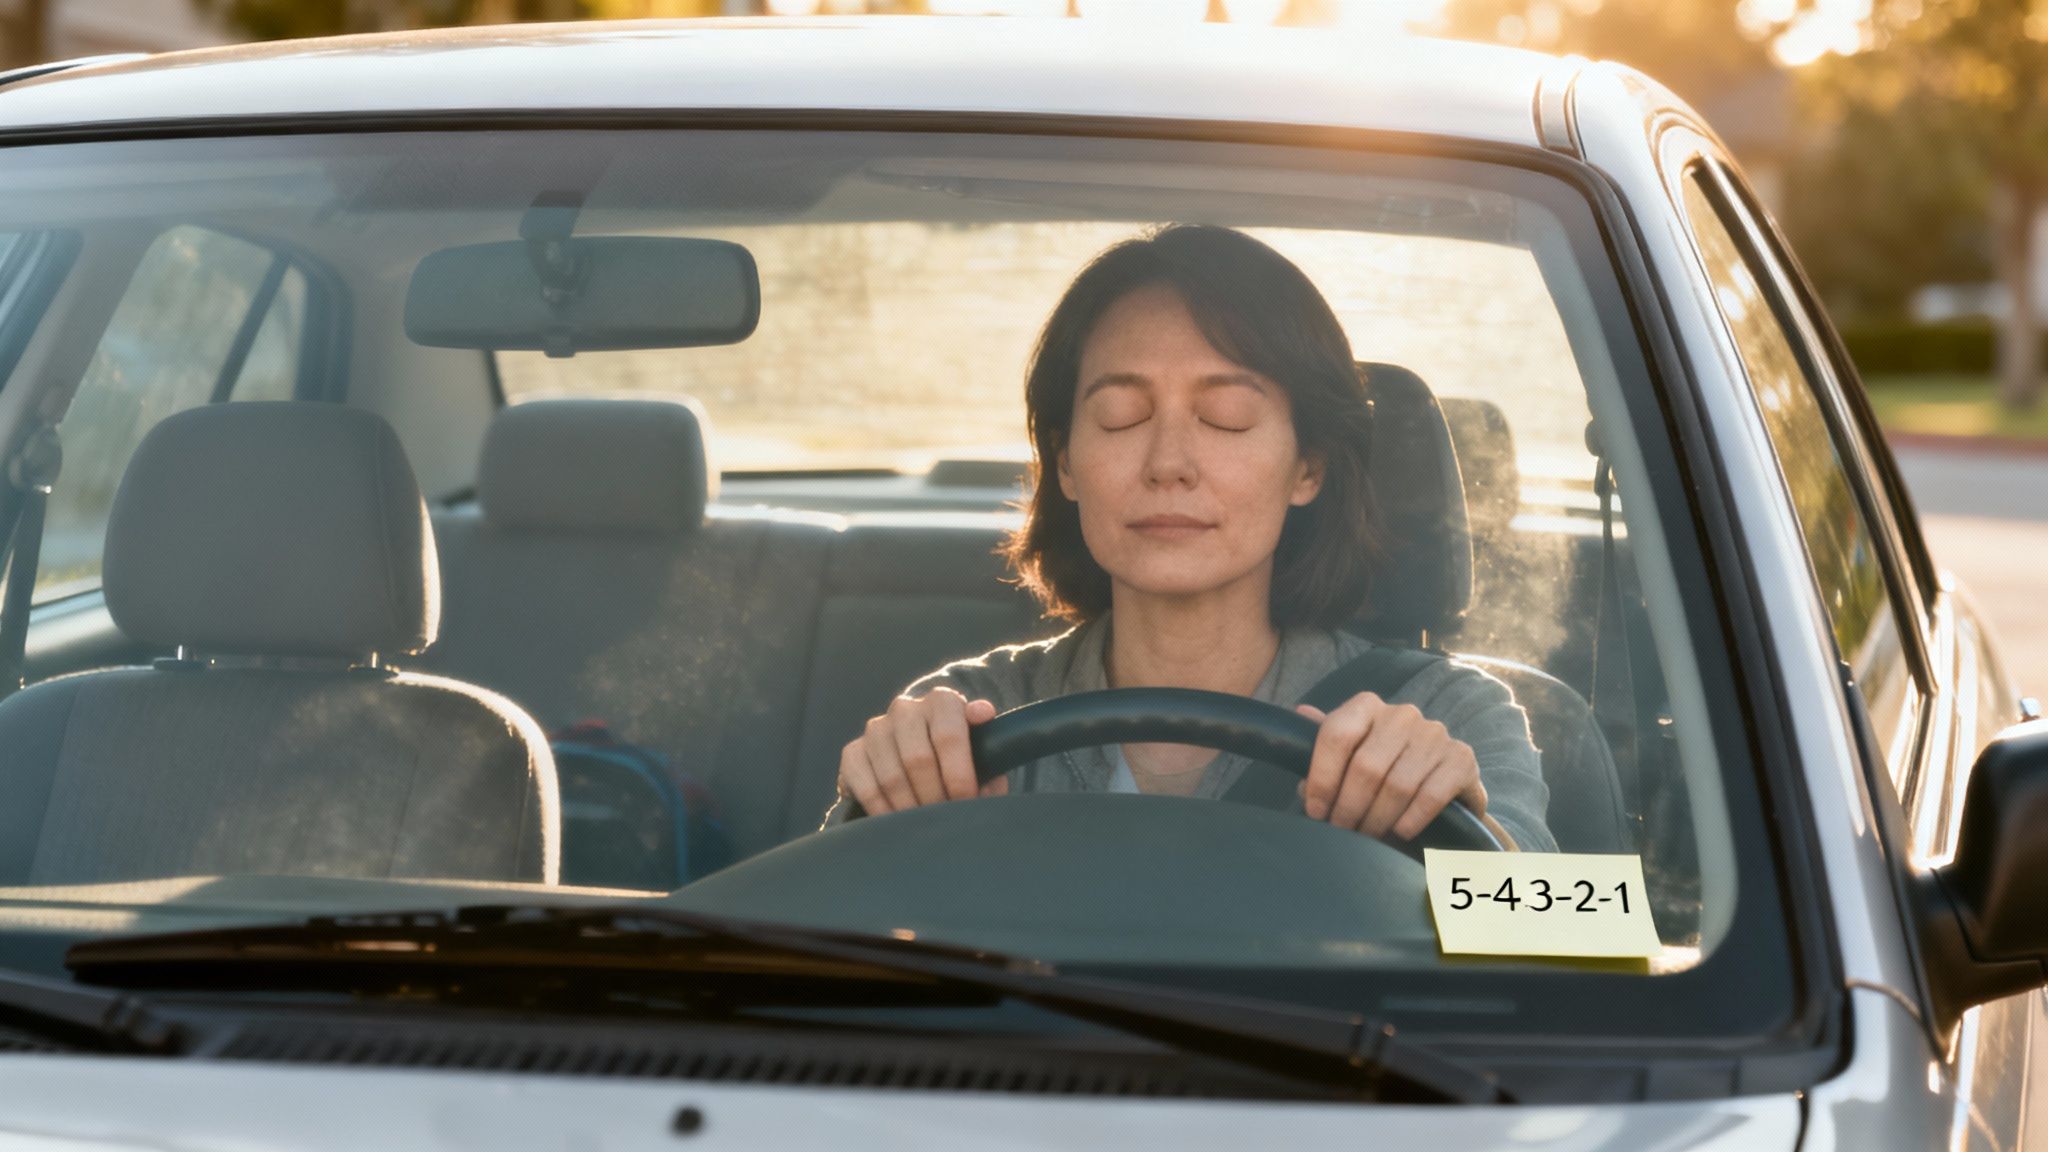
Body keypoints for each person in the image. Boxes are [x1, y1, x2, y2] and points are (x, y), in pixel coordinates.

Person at [828, 224, 1553, 852]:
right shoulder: (971, 721)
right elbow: (822, 958)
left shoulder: (1447, 717)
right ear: (1067, 463)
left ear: (1308, 467)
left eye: (1228, 417)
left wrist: (1460, 830)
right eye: (1119, 417)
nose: (1168, 463)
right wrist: (893, 811)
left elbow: (1577, 944)